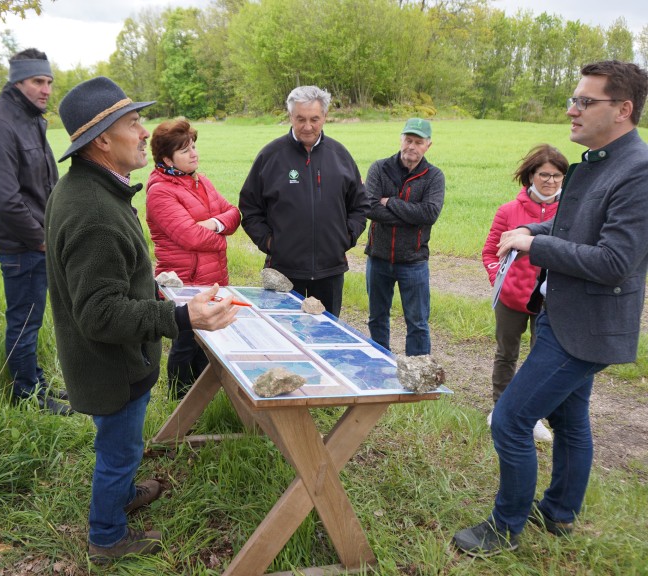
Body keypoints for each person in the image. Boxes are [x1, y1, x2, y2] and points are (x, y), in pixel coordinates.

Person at [453, 60, 648, 557]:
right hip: (564, 317)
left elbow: (613, 261)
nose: (572, 109)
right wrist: (533, 232)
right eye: (574, 99)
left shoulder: (637, 172)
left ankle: (505, 526)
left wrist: (533, 245)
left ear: (623, 110)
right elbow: (573, 227)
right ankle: (559, 514)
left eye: (585, 101)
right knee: (572, 421)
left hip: (583, 327)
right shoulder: (603, 160)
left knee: (511, 420)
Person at [45, 77, 237, 564]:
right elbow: (99, 313)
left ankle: (124, 494)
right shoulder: (94, 212)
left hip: (115, 360)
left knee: (122, 448)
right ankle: (107, 538)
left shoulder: (89, 190)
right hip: (112, 366)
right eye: (134, 124)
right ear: (102, 139)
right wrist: (179, 314)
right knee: (119, 452)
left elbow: (108, 284)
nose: (144, 132)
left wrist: (155, 285)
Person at [0, 48, 70, 415]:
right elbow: (3, 197)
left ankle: (36, 384)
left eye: (48, 81)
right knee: (25, 321)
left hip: (35, 240)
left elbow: (45, 181)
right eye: (37, 81)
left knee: (31, 317)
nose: (46, 89)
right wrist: (41, 238)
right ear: (18, 81)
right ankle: (27, 396)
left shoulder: (29, 118)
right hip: (22, 244)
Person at [238, 86, 369, 317]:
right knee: (284, 339)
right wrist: (270, 243)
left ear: (325, 117)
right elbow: (250, 207)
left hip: (330, 270)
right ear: (290, 116)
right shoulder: (270, 156)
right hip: (284, 271)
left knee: (326, 335)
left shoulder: (340, 156)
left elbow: (360, 205)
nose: (307, 126)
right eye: (300, 119)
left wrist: (346, 237)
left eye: (314, 119)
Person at [145, 118, 241, 399]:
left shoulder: (200, 181)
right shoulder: (160, 192)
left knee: (208, 343)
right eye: (185, 150)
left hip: (212, 280)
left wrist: (212, 224)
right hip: (184, 284)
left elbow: (234, 214)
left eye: (194, 146)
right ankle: (179, 403)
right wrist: (221, 237)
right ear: (167, 158)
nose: (194, 153)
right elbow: (190, 237)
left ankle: (201, 399)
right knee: (186, 344)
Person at [482, 144, 569, 443]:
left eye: (558, 176)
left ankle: (533, 416)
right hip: (512, 298)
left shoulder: (570, 212)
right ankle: (500, 406)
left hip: (552, 300)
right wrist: (499, 279)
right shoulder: (509, 210)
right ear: (531, 175)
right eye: (544, 174)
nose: (551, 181)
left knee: (541, 358)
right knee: (506, 354)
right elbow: (490, 251)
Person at [364, 118, 445, 356]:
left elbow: (429, 213)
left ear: (427, 146)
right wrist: (411, 216)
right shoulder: (379, 168)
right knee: (377, 317)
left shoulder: (434, 176)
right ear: (401, 140)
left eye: (418, 142)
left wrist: (391, 202)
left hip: (414, 261)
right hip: (378, 258)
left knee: (418, 322)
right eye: (408, 140)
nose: (412, 146)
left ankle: (418, 373)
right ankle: (381, 364)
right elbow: (369, 208)